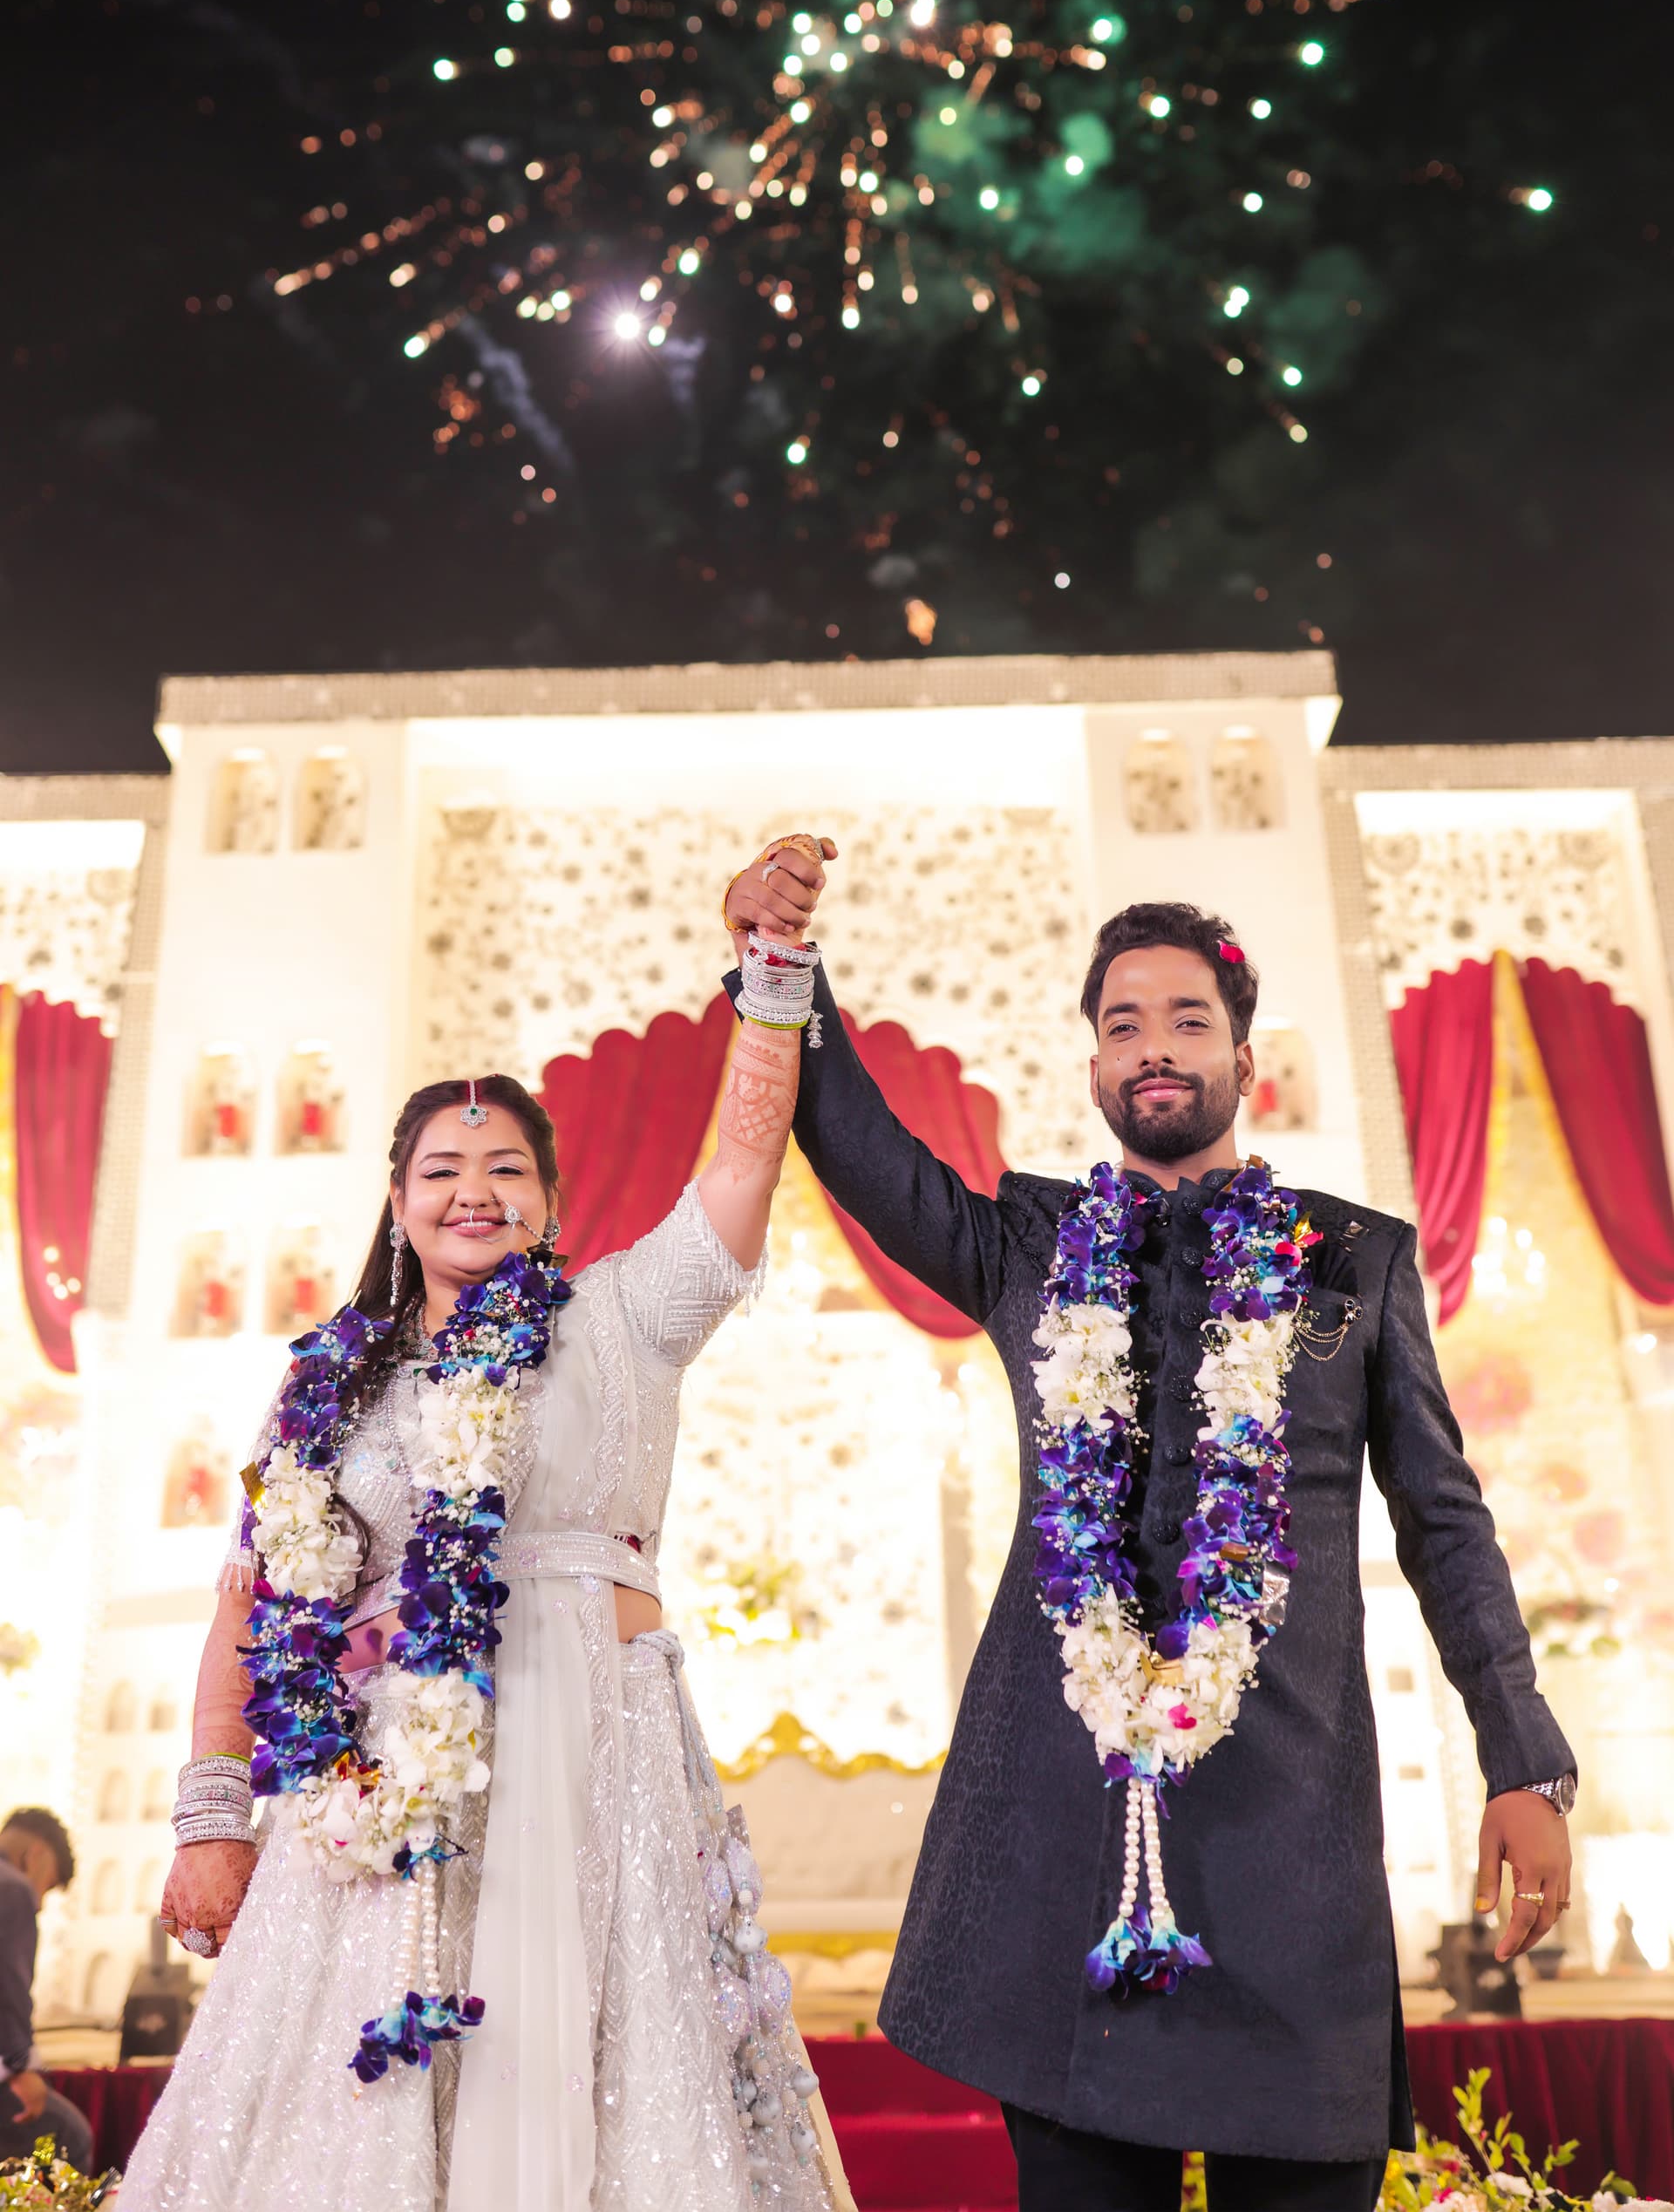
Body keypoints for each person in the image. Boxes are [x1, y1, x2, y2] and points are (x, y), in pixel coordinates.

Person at [721, 870, 1576, 2212]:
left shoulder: (1352, 1262)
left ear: (1245, 1055)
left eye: (1186, 1019)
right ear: (1096, 1064)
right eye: (1124, 1024)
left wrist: (1523, 1759)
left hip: (1290, 1832)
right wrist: (780, 965)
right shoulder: (1031, 1248)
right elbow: (861, 1144)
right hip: (1067, 1824)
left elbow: (1447, 1523)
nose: (1155, 1046)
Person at [120, 839, 848, 2212]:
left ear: (553, 1202)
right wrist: (212, 1820)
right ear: (397, 1204)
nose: (476, 1188)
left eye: (507, 1165)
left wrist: (771, 969)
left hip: (597, 1762)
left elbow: (745, 1160)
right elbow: (249, 1609)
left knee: (616, 2081)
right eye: (444, 1165)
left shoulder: (622, 1319)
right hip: (383, 1802)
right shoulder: (330, 1385)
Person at [0, 1807, 94, 2175]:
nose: (40, 1902)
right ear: (34, 1855)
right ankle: (31, 2194)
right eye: (48, 1886)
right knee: (62, 2135)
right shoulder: (13, 1887)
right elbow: (7, 1984)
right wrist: (21, 2067)